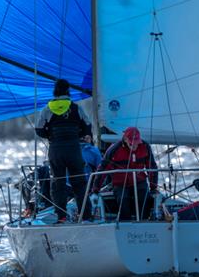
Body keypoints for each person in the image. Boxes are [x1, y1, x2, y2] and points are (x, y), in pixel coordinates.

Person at [35, 79, 93, 223]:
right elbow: (87, 125)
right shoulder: (76, 107)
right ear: (68, 91)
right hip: (73, 149)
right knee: (79, 183)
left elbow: (39, 129)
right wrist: (82, 134)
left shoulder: (47, 109)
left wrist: (50, 136)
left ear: (55, 91)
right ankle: (85, 216)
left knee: (58, 183)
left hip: (56, 150)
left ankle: (60, 216)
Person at [93, 127, 158, 221]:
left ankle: (144, 221)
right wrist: (95, 189)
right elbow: (103, 168)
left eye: (137, 143)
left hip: (139, 181)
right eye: (132, 143)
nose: (135, 146)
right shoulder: (114, 149)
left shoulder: (145, 146)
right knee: (123, 199)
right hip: (120, 183)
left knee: (144, 197)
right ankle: (124, 222)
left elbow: (151, 167)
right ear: (126, 139)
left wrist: (153, 187)